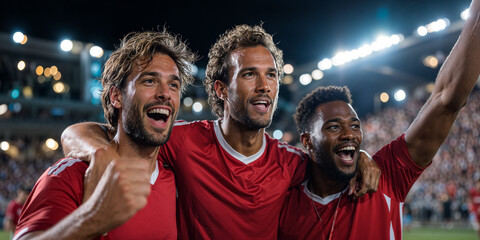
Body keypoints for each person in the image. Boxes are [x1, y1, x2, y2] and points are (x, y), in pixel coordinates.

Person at [61, 24, 380, 239]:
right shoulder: (183, 141)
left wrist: (362, 157)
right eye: (250, 75)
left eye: (271, 75)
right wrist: (99, 153)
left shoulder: (292, 163)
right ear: (222, 89)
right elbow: (81, 132)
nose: (264, 86)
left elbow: (334, 164)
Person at [279, 0, 480, 237]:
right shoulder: (282, 203)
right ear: (307, 141)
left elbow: (447, 100)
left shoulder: (386, 177)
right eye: (334, 126)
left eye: (355, 125)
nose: (349, 134)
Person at [13, 30, 196, 240]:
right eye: (149, 81)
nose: (165, 93)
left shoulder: (176, 179)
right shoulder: (71, 175)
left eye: (174, 85)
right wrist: (91, 219)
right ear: (116, 96)